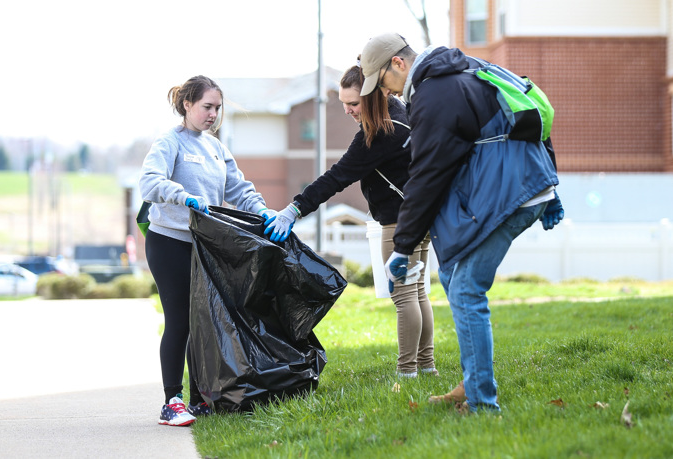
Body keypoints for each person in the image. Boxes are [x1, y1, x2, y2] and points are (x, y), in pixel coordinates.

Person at [359, 33, 564, 412]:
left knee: (467, 290)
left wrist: (403, 246)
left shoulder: (436, 94)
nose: (385, 93)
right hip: (526, 186)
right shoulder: (467, 69)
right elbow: (530, 114)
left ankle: (482, 403)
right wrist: (550, 185)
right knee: (455, 278)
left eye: (382, 83)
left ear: (398, 64)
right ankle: (473, 383)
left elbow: (427, 173)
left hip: (512, 192)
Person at [264, 65, 438, 378]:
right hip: (422, 216)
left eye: (354, 104)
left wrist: (294, 209)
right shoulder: (402, 111)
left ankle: (407, 371)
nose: (347, 110)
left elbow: (338, 176)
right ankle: (426, 367)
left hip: (398, 223)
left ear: (373, 97)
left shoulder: (380, 133)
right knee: (417, 291)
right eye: (344, 103)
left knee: (403, 294)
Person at [139, 75, 275, 426]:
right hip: (169, 241)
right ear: (187, 105)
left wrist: (264, 211)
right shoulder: (171, 142)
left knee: (204, 323)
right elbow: (149, 181)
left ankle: (200, 400)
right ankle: (172, 402)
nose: (213, 114)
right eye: (207, 107)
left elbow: (239, 189)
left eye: (217, 108)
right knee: (181, 319)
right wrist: (181, 196)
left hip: (203, 244)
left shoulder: (216, 148)